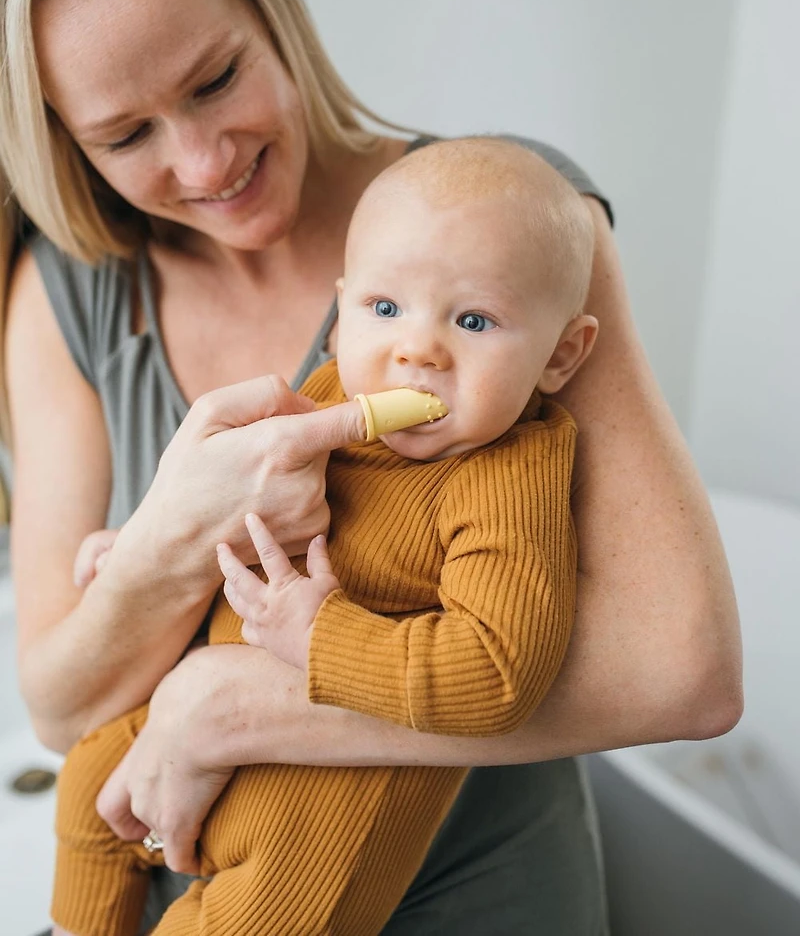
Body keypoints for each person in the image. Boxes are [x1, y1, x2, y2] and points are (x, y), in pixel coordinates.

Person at [0, 0, 742, 936]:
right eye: (125, 134)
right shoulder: (72, 289)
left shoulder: (509, 230)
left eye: (215, 78)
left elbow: (683, 672)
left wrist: (234, 706)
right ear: (62, 140)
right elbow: (59, 702)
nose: (203, 163)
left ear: (270, 7)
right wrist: (167, 534)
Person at [50, 139, 599, 936]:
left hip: (325, 819)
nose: (416, 349)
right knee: (85, 792)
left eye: (473, 319)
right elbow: (237, 513)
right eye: (384, 309)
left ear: (560, 354)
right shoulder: (330, 397)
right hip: (203, 740)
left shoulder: (509, 472)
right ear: (341, 318)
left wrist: (320, 634)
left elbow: (499, 671)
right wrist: (140, 542)